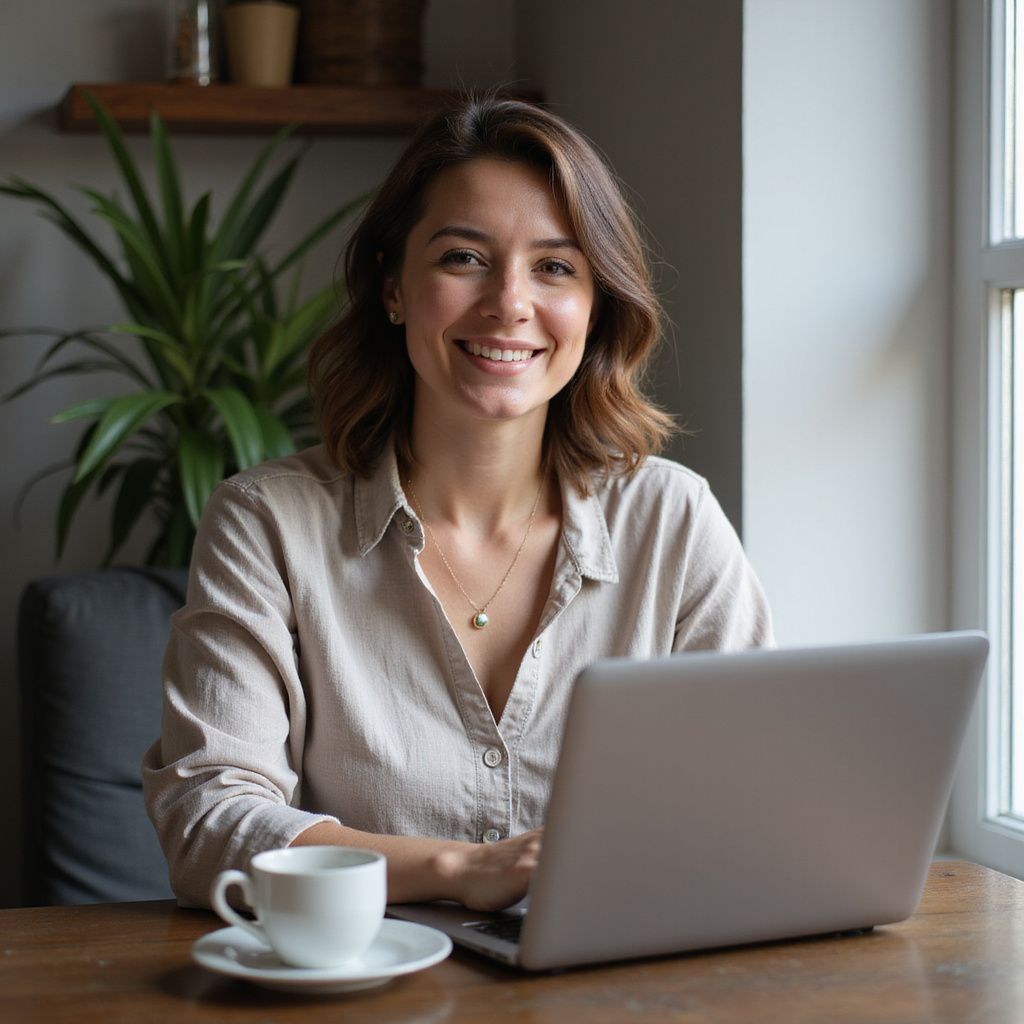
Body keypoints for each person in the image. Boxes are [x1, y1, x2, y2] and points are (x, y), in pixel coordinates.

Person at [142, 95, 773, 912]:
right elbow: (209, 824)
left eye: (555, 267)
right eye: (464, 258)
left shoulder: (674, 523)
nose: (509, 303)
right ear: (393, 286)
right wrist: (456, 870)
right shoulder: (267, 524)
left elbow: (753, 804)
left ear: (595, 305)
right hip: (363, 987)